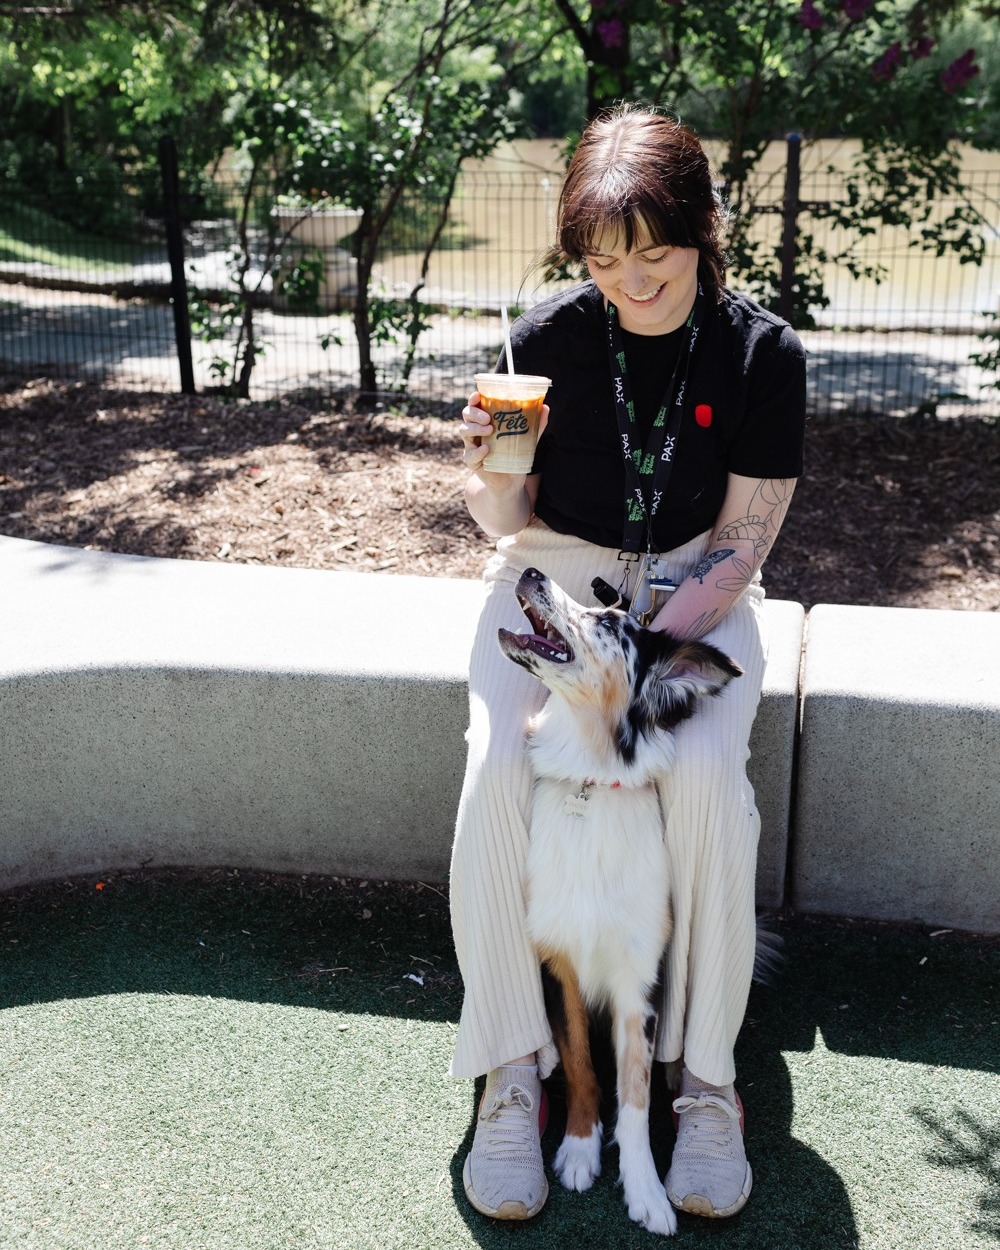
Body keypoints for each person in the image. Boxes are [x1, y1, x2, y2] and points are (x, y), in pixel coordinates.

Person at [450, 103, 806, 1223]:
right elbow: (505, 525)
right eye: (604, 261)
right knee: (500, 767)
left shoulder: (762, 354)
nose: (629, 282)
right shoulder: (547, 339)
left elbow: (742, 545)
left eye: (651, 254)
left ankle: (706, 1082)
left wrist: (642, 671)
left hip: (696, 593)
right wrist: (489, 469)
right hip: (554, 580)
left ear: (702, 229)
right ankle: (511, 1070)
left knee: (700, 777)